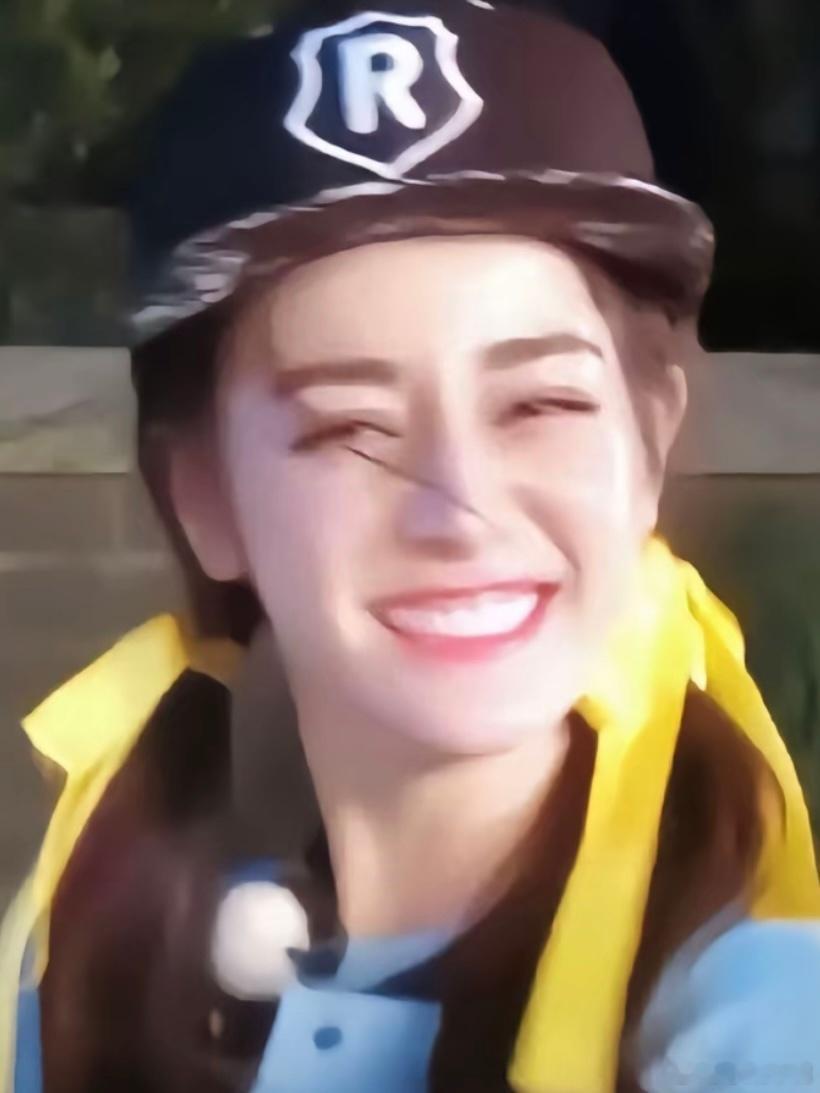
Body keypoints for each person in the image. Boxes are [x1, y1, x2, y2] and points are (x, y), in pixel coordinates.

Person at [2, 1, 819, 1091]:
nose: (459, 509)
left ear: (648, 441)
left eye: (539, 404)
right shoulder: (81, 968)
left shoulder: (757, 1033)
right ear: (204, 495)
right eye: (349, 427)